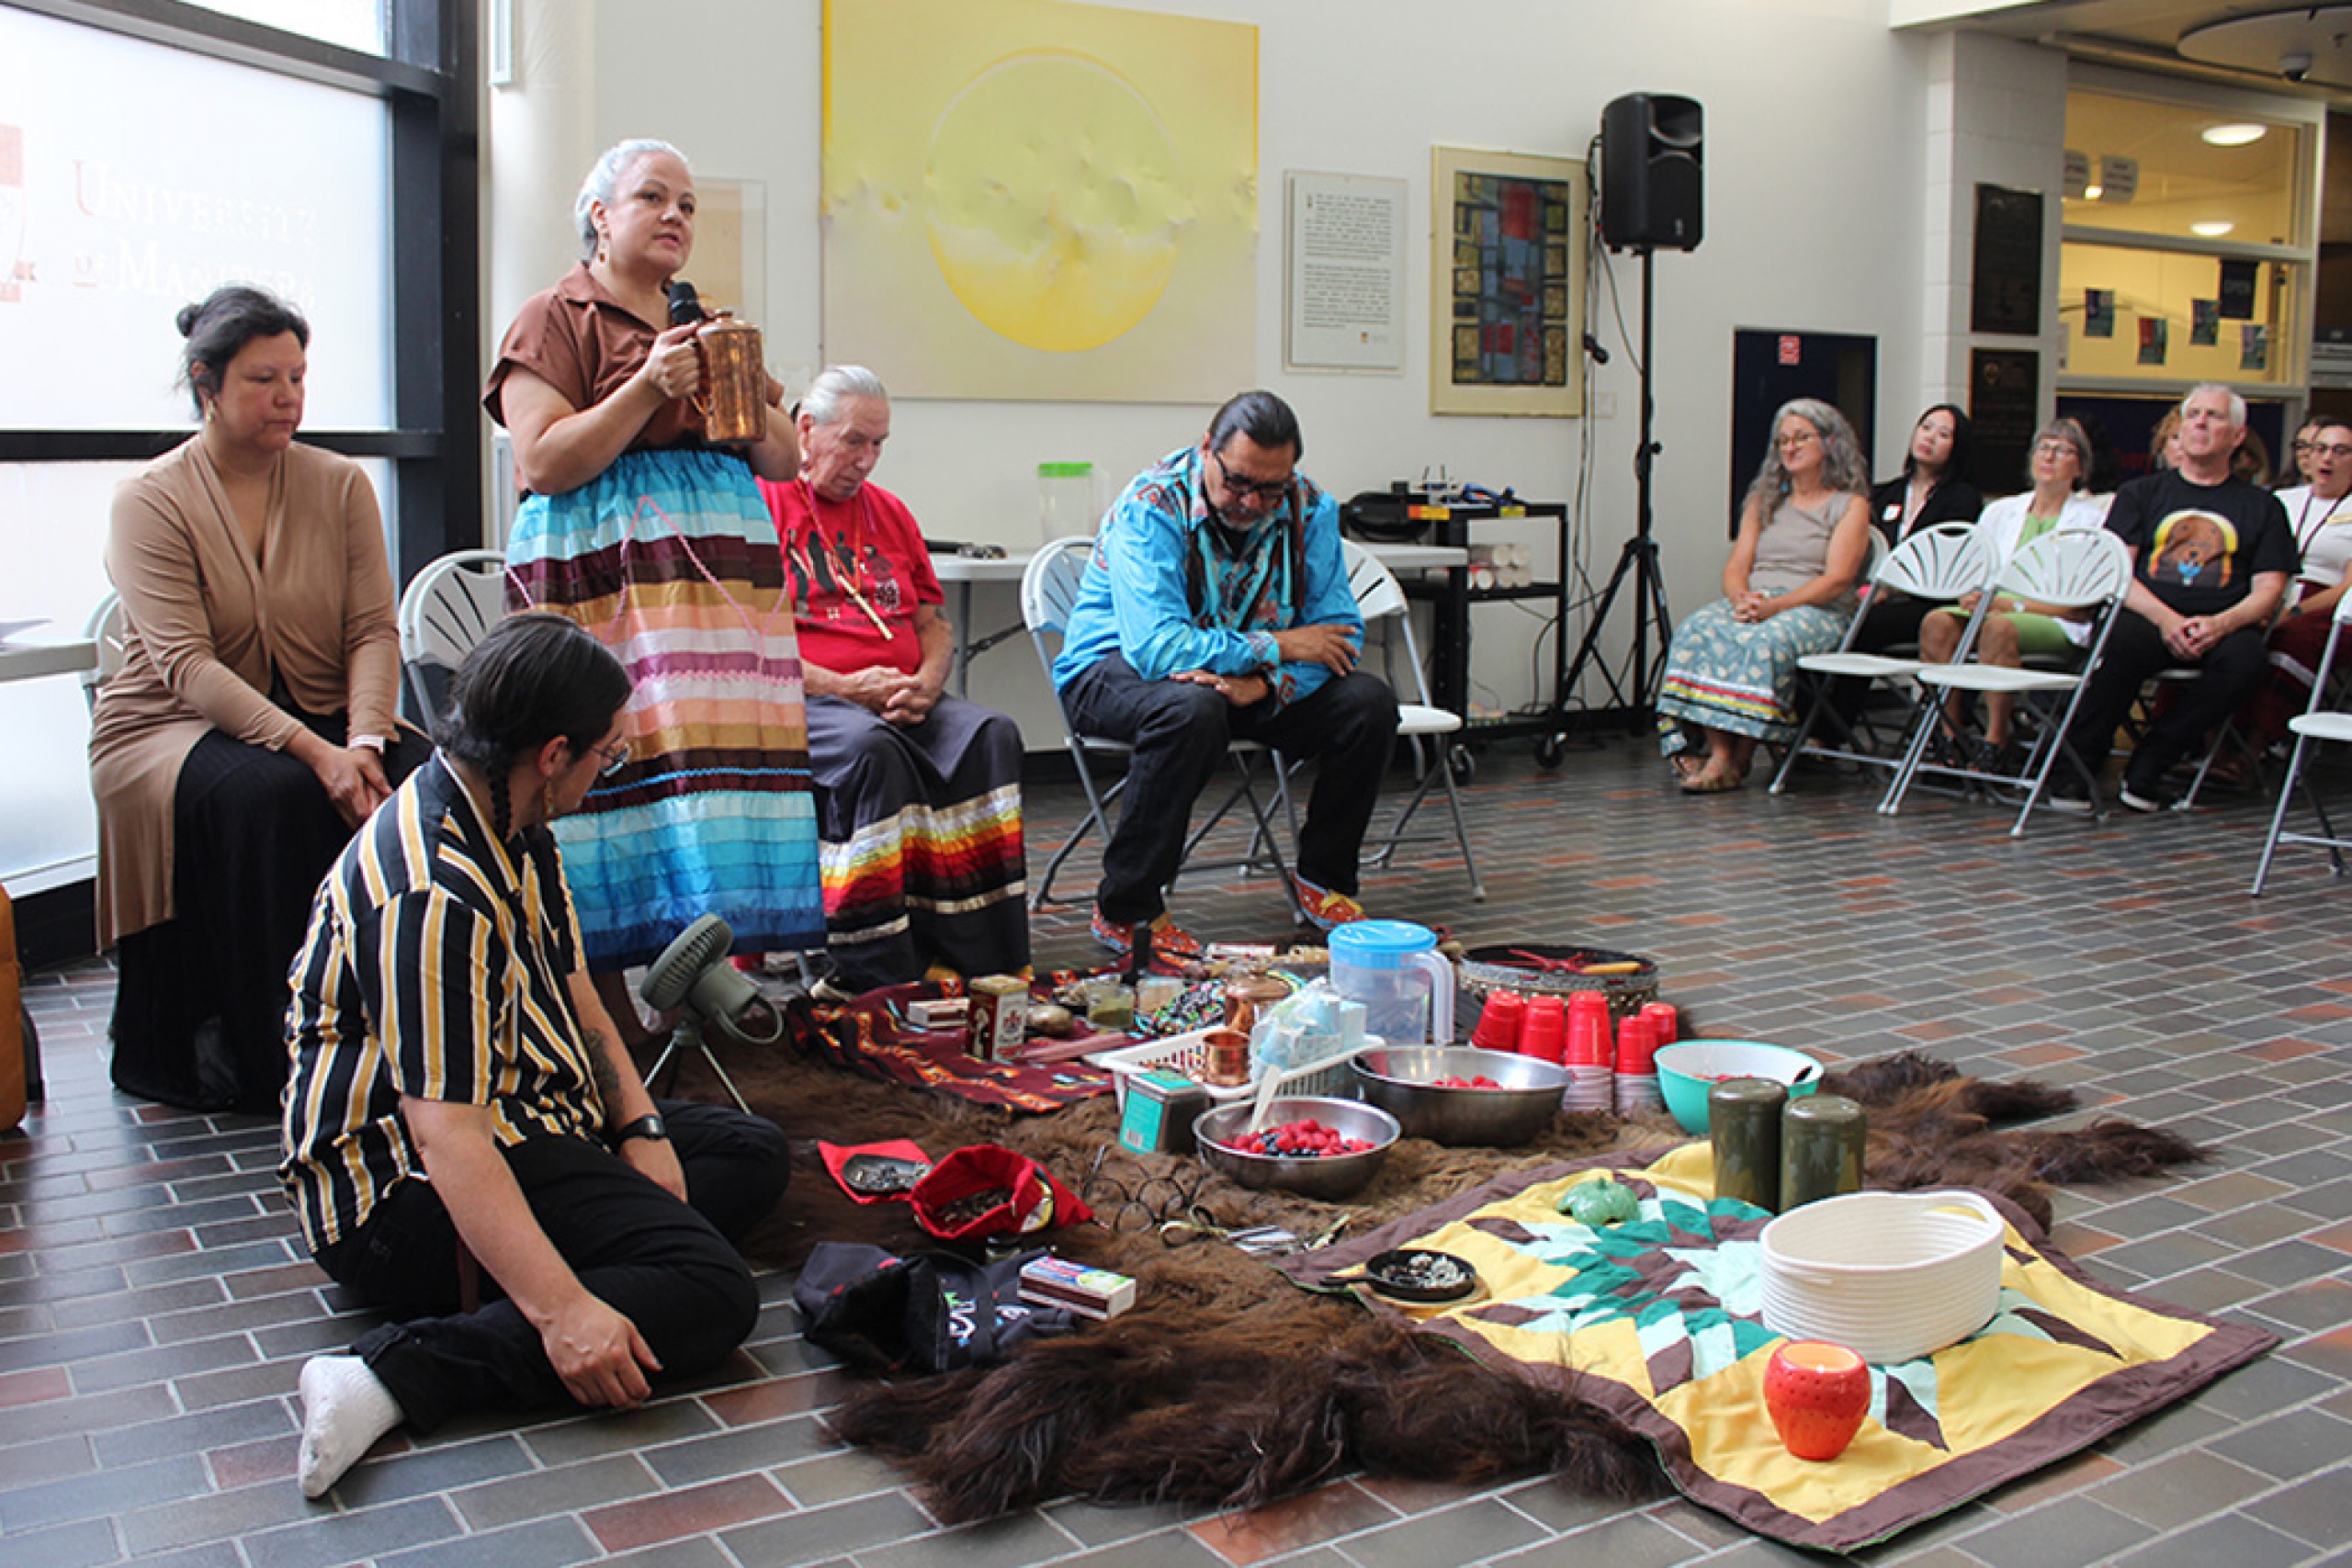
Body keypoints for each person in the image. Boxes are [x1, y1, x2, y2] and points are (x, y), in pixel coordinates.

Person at [280, 613, 790, 1500]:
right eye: (607, 755)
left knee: (748, 1154)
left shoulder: (511, 817)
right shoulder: (433, 893)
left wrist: (640, 1127)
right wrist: (563, 1314)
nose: (606, 773)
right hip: (400, 1198)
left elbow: (578, 991)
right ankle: (393, 1373)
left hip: (522, 1114)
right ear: (554, 752)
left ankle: (592, 1262)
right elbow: (446, 1137)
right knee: (713, 1293)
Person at [486, 138, 822, 1034]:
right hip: (603, 587)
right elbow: (544, 461)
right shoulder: (551, 315)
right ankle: (601, 1025)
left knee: (706, 785)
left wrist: (736, 380)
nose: (676, 216)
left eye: (687, 204)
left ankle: (692, 995)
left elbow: (785, 459)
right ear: (599, 214)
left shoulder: (707, 321)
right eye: (652, 198)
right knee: (608, 776)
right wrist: (646, 384)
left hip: (712, 602)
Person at [89, 285, 428, 1112]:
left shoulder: (341, 484)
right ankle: (278, 1058)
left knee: (437, 782)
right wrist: (321, 753)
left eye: (298, 378)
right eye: (263, 380)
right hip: (168, 726)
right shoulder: (150, 499)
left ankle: (425, 1030)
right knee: (270, 796)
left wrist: (367, 741)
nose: (288, 398)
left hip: (323, 710)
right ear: (205, 385)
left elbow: (372, 633)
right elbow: (185, 666)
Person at [1052, 390, 1397, 958]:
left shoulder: (1310, 509)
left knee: (1368, 704)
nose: (1251, 502)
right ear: (1207, 449)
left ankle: (1324, 879)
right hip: (1113, 671)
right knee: (1189, 708)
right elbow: (1160, 649)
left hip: (1243, 682)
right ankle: (1127, 907)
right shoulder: (1151, 505)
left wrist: (1262, 685)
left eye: (1270, 488)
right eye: (1237, 482)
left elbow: (1339, 637)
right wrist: (1278, 646)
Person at [756, 367, 1028, 992]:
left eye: (879, 444)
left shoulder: (891, 513)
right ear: (804, 428)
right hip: (807, 699)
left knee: (992, 733)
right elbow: (747, 645)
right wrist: (847, 688)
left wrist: (931, 681)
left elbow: (932, 622)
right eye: (854, 441)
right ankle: (874, 967)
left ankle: (978, 961)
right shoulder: (760, 507)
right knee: (871, 750)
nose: (867, 460)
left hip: (903, 695)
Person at [2048, 384, 2297, 814]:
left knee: (2247, 662)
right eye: (2193, 414)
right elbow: (2117, 572)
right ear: (2179, 429)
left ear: (2237, 436)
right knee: (2118, 645)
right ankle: (2074, 771)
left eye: (2214, 416)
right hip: (2148, 614)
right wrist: (2166, 620)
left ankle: (2152, 763)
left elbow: (2269, 591)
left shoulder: (2262, 506)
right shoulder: (2140, 494)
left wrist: (2219, 624)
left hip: (2223, 623)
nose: (2200, 422)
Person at [1656, 399, 1874, 794]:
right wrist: (1742, 598)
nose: (1790, 448)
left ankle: (1736, 758)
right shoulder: (1764, 502)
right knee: (1699, 629)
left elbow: (1839, 579)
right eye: (1782, 441)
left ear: (1829, 443)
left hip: (1816, 608)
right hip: (1759, 600)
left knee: (1761, 641)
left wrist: (1775, 606)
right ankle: (1723, 754)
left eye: (1801, 438)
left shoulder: (1850, 505)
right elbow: (1737, 564)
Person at [1916, 418, 2110, 771]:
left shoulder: (2092, 520)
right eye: (2043, 447)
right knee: (1937, 623)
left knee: (1999, 627)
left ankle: (1996, 739)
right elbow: (1975, 570)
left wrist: (2013, 605)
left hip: (2055, 619)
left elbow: (2082, 607)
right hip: (1993, 608)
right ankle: (1947, 734)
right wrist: (1971, 596)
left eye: (2062, 450)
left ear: (2080, 466)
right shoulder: (2000, 511)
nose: (2049, 456)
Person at [2245, 419, 2352, 748]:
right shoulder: (2280, 500)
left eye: (2340, 451)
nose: (2327, 458)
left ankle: (2255, 745)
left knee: (2291, 639)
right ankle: (2204, 745)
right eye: (2320, 449)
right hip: (2270, 592)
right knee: (2230, 639)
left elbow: (2348, 587)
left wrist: (2294, 611)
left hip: (2329, 607)